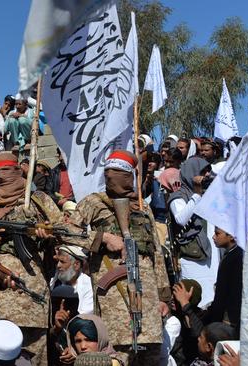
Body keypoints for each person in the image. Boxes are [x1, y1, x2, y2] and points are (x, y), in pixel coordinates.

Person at [47, 150, 172, 364]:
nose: (112, 178)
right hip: (114, 299)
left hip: (147, 298)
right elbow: (63, 230)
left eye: (119, 173)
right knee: (116, 357)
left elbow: (157, 255)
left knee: (150, 356)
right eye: (108, 173)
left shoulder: (143, 207)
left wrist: (163, 297)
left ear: (130, 176)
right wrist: (101, 238)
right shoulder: (94, 203)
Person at [0, 152, 62, 365]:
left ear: (18, 170)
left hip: (31, 295)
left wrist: (47, 237)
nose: (2, 176)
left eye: (7, 170)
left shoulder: (37, 201)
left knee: (34, 357)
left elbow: (62, 230)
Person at [167, 157, 220, 307]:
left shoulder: (208, 194)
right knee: (196, 300)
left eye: (208, 172)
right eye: (203, 172)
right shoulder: (178, 196)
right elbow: (181, 219)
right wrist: (196, 194)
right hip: (192, 258)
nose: (206, 176)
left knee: (212, 298)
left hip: (210, 254)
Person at [49, 245, 94, 315]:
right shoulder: (55, 281)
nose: (58, 265)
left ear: (76, 265)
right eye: (58, 261)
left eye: (62, 262)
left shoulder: (88, 285)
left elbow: (85, 315)